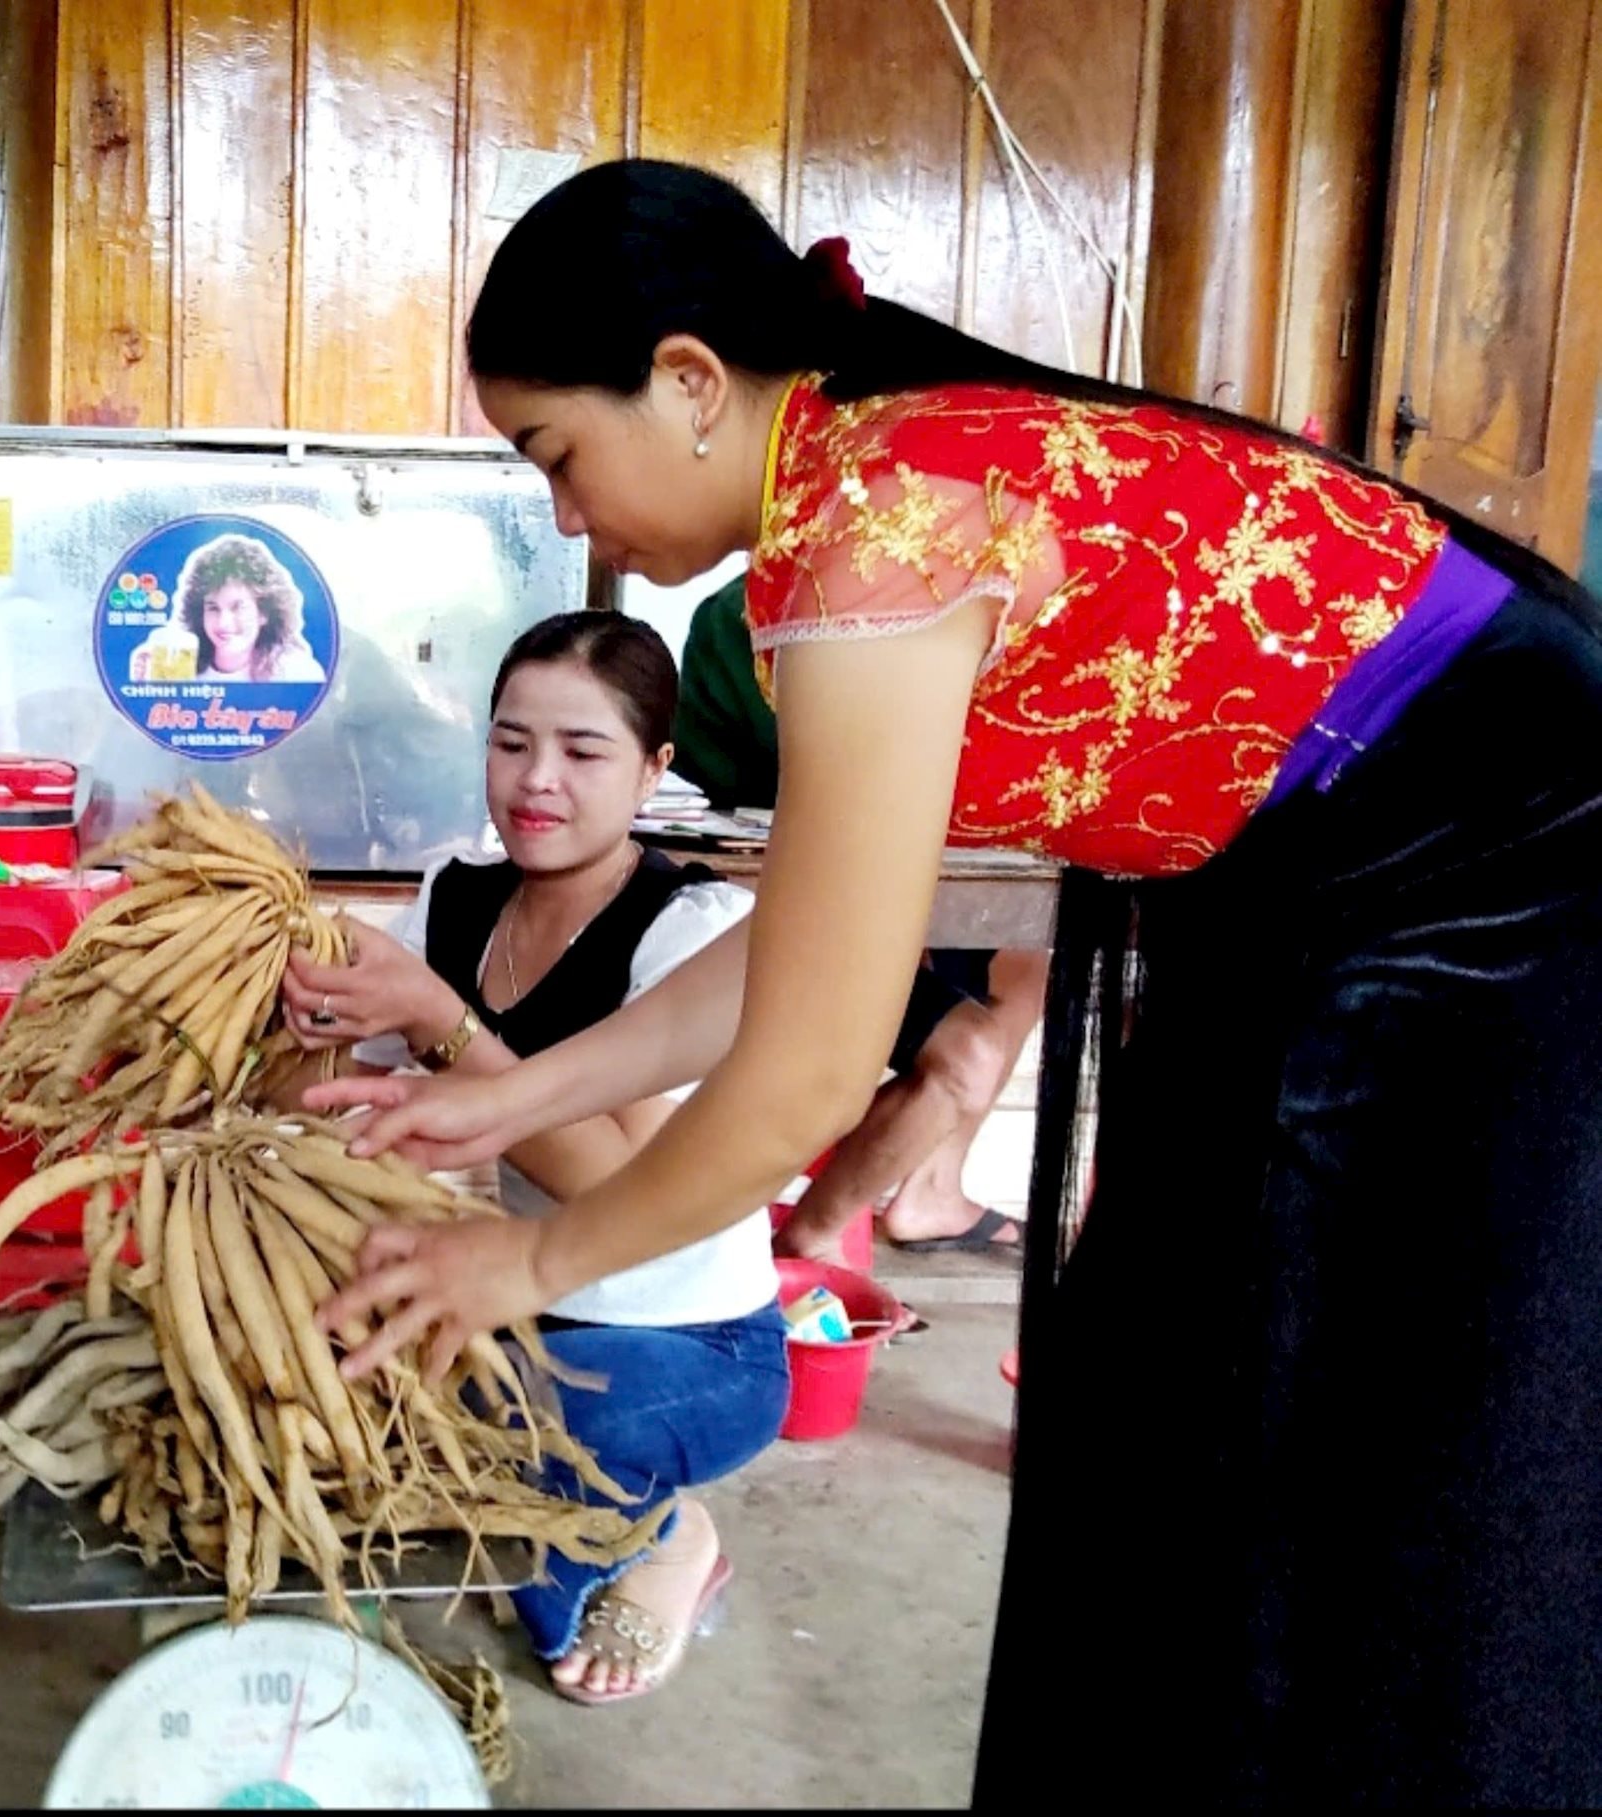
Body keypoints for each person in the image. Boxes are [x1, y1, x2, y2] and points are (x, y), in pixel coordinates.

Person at [309, 158, 1602, 1805]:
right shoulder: (841, 511)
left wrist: (532, 1252)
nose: (569, 519)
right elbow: (811, 947)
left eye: (559, 456)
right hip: (1326, 880)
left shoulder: (876, 526)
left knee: (1347, 1444)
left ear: (691, 383)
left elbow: (806, 1069)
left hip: (1500, 866)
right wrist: (517, 1092)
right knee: (1164, 1397)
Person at [273, 610, 788, 1704]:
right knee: (316, 1362)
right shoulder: (455, 892)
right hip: (509, 1296)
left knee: (528, 1447)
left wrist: (437, 1020)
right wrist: (276, 1007)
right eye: (510, 742)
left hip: (686, 1342)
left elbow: (617, 1182)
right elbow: (332, 1089)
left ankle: (672, 1532)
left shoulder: (691, 926)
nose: (535, 780)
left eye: (582, 750)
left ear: (653, 770)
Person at [670, 573, 1043, 1253]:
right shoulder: (899, 599)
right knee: (965, 1040)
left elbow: (713, 772)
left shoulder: (734, 613)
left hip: (807, 885)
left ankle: (924, 1187)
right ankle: (813, 1233)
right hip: (799, 914)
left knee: (1014, 975)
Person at [177, 532, 327, 682]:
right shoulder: (182, 672)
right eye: (213, 608)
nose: (223, 623)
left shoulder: (296, 672)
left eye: (237, 607)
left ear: (264, 613)